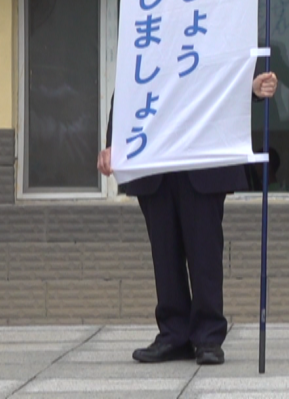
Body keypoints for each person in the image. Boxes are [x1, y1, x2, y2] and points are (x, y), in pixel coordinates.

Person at [97, 71, 278, 366]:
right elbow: (131, 85)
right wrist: (113, 143)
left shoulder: (211, 37)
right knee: (164, 254)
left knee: (204, 251)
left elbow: (223, 73)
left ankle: (208, 337)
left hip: (201, 155)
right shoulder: (148, 38)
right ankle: (173, 334)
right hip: (152, 157)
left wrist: (252, 89)